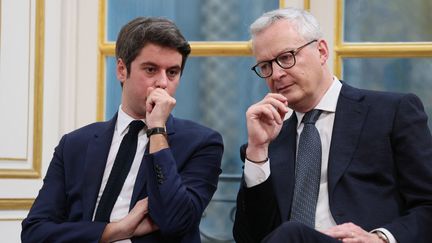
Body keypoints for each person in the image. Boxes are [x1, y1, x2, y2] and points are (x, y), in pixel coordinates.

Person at [233, 7, 432, 243]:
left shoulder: (390, 112)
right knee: (291, 232)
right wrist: (257, 151)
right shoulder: (269, 142)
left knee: (291, 231)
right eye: (265, 66)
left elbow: (428, 205)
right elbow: (251, 238)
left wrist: (381, 238)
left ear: (322, 51)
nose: (276, 74)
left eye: (286, 57)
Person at [21, 17, 223, 243]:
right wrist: (115, 231)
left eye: (173, 72)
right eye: (150, 69)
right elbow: (34, 233)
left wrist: (157, 130)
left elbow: (175, 222)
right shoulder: (75, 144)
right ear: (121, 70)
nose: (163, 83)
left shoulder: (202, 143)